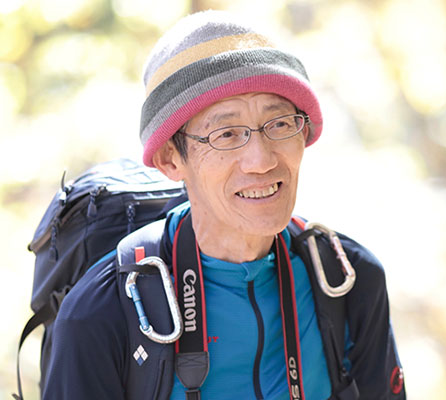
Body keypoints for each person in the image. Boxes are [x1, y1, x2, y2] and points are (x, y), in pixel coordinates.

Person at [43, 10, 406, 400]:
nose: (262, 160)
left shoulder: (345, 279)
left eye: (280, 124)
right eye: (227, 133)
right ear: (171, 159)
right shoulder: (104, 311)